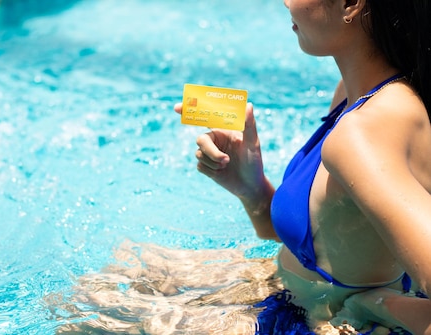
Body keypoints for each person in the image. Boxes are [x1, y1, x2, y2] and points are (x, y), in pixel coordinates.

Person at [174, 0, 431, 333]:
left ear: (350, 4)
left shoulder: (365, 133)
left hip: (317, 321)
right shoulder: (361, 95)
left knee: (92, 310)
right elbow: (331, 247)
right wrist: (251, 188)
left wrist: (382, 307)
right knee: (129, 274)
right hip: (287, 293)